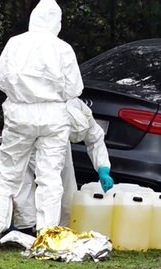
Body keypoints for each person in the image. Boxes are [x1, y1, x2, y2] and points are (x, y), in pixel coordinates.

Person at [0, 0, 84, 250]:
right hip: (53, 117)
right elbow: (75, 88)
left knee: (7, 173)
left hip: (20, 113)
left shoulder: (15, 43)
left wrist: (21, 92)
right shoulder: (63, 49)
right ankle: (46, 235)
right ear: (57, 23)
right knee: (49, 176)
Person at [12, 98, 113, 233]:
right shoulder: (44, 107)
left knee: (66, 182)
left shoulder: (82, 111)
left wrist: (103, 169)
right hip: (31, 135)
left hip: (59, 141)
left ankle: (63, 226)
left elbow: (95, 140)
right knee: (25, 179)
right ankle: (26, 226)